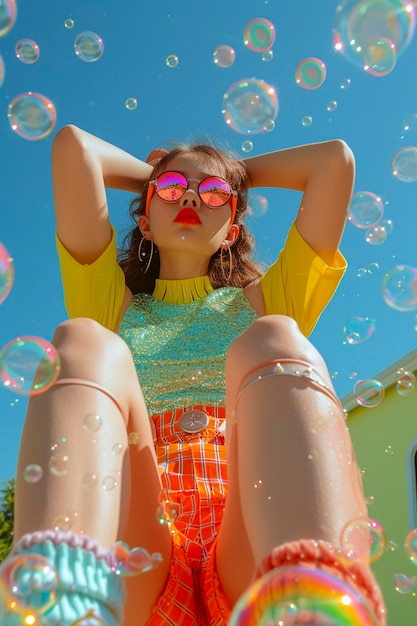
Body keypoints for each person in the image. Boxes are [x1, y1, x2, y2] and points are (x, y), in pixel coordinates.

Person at [2, 124, 386, 625]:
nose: (190, 197)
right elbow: (75, 148)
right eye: (170, 191)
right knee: (82, 342)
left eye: (211, 194)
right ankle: (57, 601)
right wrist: (172, 174)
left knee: (275, 337)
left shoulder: (265, 303)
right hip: (139, 540)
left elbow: (333, 161)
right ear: (144, 221)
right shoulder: (112, 308)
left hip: (251, 531)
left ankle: (319, 606)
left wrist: (230, 176)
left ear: (232, 230)